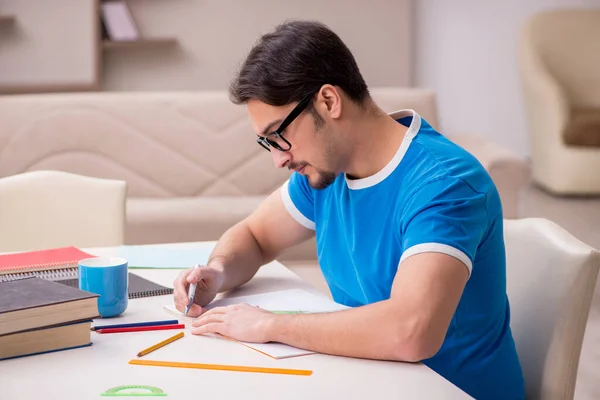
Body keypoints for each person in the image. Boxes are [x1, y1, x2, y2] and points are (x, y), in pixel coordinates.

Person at [172, 20, 525, 399]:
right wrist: (219, 272)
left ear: (328, 101)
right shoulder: (327, 174)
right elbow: (256, 236)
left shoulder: (443, 183)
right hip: (368, 381)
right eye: (267, 143)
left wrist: (271, 326)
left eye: (280, 136)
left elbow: (410, 332)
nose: (278, 160)